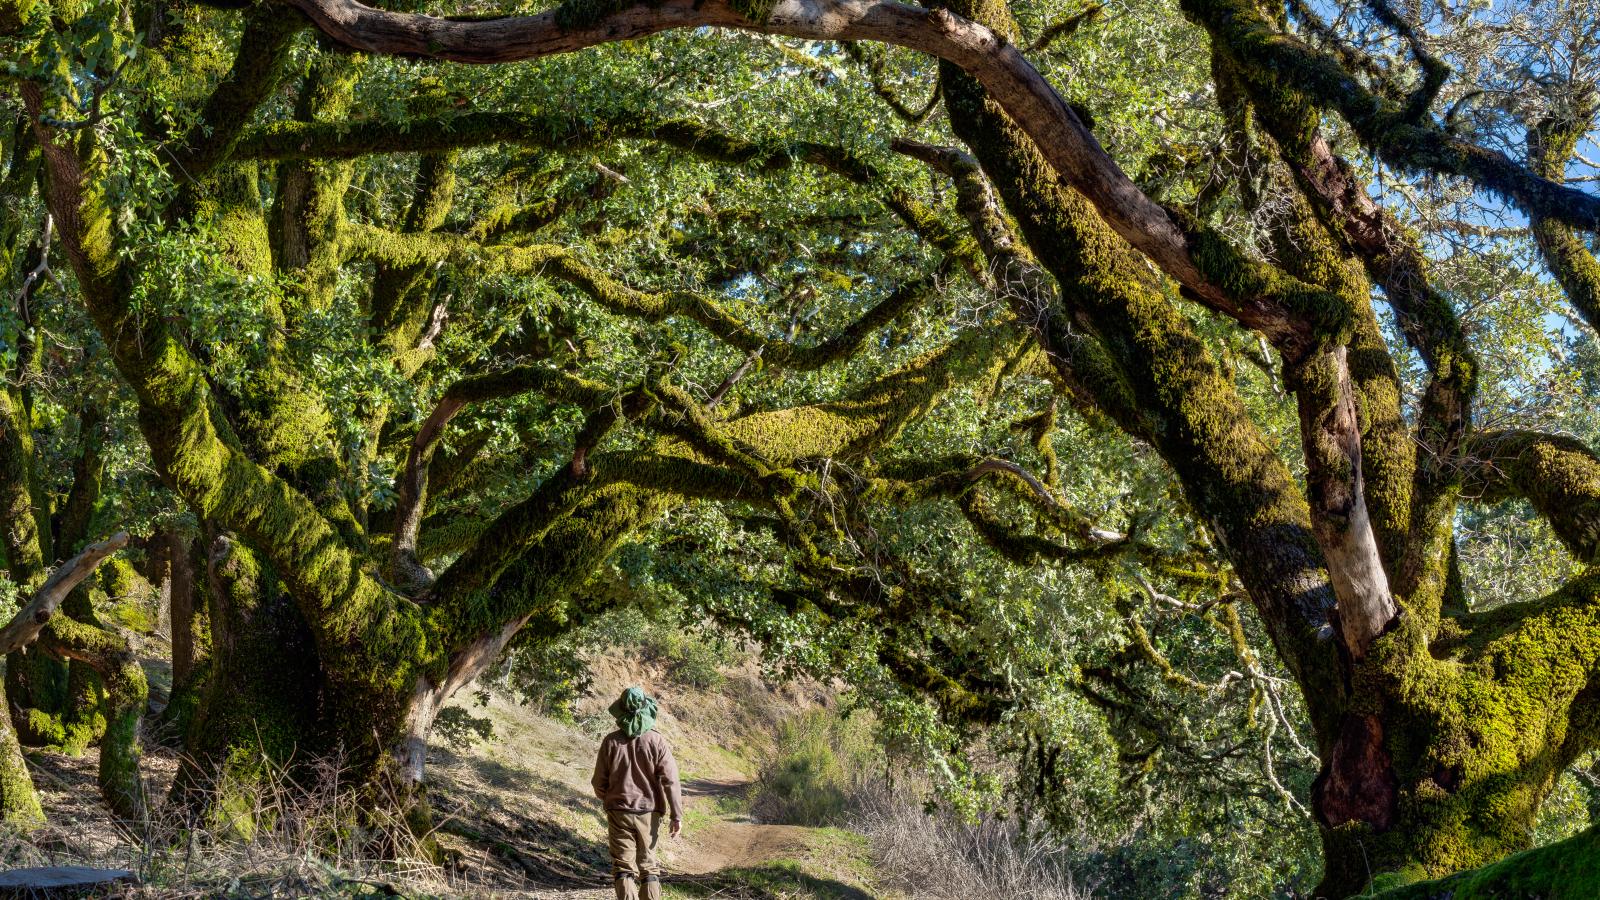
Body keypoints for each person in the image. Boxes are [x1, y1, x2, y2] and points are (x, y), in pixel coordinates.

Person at [592, 686, 684, 900]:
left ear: (621, 710)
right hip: (649, 812)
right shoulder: (657, 741)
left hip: (619, 811)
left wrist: (609, 798)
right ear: (645, 710)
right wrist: (676, 815)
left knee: (623, 867)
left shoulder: (611, 741)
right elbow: (671, 780)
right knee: (649, 867)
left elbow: (598, 782)